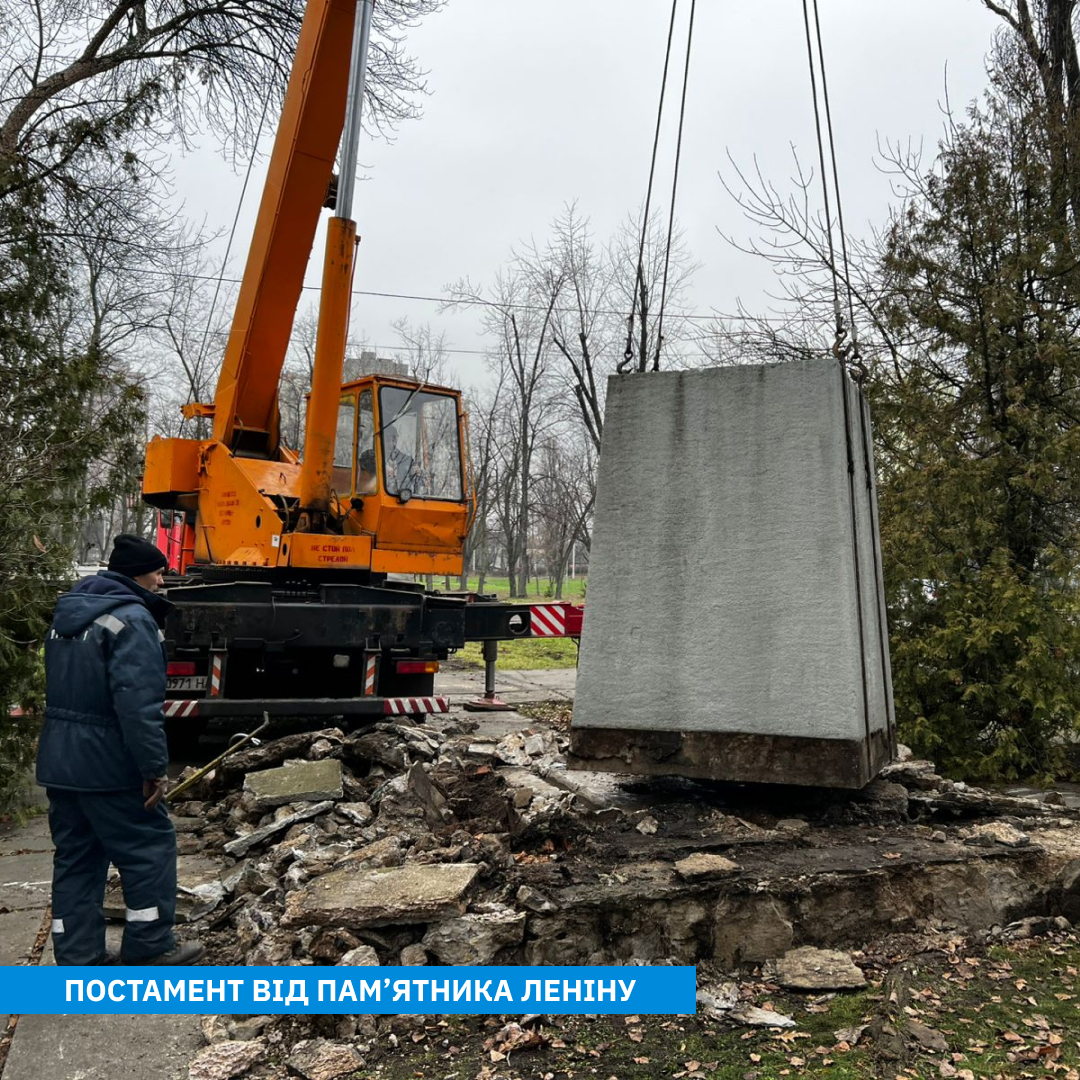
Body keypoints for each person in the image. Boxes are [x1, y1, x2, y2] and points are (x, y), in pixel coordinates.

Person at [36, 534, 204, 966]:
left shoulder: (68, 615)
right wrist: (153, 768)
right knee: (148, 848)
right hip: (108, 764)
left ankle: (76, 954)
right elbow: (137, 705)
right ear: (138, 574)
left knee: (77, 856)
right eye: (159, 571)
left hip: (61, 761)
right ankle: (150, 946)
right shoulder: (134, 620)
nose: (163, 579)